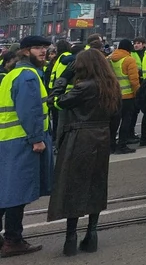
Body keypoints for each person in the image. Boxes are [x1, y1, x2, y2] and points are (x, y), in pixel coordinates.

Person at [47, 48, 121, 256]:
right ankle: (92, 234)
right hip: (102, 136)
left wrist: (62, 79)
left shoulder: (84, 87)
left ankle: (71, 237)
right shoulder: (111, 85)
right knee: (96, 183)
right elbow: (117, 115)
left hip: (80, 137)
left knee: (74, 186)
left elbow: (56, 102)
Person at [0, 36, 54, 257]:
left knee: (7, 191)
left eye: (44, 48)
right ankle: (13, 240)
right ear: (25, 51)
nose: (43, 52)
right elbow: (30, 111)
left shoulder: (12, 74)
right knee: (17, 194)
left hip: (7, 141)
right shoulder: (28, 76)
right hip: (22, 142)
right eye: (38, 48)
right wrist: (37, 139)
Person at [108, 38, 140, 154]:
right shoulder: (129, 60)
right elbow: (134, 81)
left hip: (114, 96)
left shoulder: (110, 58)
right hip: (127, 97)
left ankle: (111, 145)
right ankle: (122, 145)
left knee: (113, 122)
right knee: (126, 121)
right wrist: (138, 93)